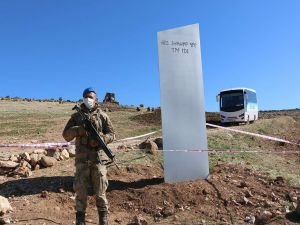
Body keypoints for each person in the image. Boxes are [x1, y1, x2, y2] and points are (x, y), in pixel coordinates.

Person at [62, 87, 115, 225]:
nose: (88, 99)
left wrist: (102, 139)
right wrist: (79, 130)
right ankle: (80, 221)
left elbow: (112, 134)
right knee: (81, 192)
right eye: (86, 97)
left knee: (101, 192)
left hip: (98, 159)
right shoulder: (76, 117)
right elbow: (66, 135)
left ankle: (103, 220)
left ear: (96, 99)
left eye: (91, 97)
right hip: (82, 160)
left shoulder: (103, 116)